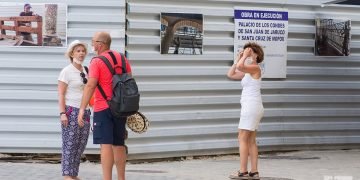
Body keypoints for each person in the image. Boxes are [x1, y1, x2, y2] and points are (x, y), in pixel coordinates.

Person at [77, 32, 132, 180]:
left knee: (105, 144)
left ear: (100, 44)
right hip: (120, 107)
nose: (92, 44)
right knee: (119, 143)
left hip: (103, 107)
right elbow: (129, 82)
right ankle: (122, 178)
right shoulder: (123, 59)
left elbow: (90, 85)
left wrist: (82, 109)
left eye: (93, 41)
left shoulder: (97, 61)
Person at [227, 42, 264, 179]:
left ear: (257, 55)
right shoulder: (248, 71)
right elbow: (231, 74)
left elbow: (241, 66)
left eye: (250, 51)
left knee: (242, 138)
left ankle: (243, 172)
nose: (247, 53)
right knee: (251, 140)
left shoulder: (255, 68)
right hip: (253, 107)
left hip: (251, 108)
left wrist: (244, 58)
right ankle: (254, 172)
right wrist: (239, 58)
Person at [58, 40, 91, 180]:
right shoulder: (66, 71)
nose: (81, 53)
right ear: (72, 53)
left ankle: (73, 174)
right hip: (71, 111)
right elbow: (61, 93)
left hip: (85, 112)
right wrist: (62, 113)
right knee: (69, 145)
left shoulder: (86, 70)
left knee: (80, 145)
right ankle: (67, 175)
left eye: (83, 51)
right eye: (78, 51)